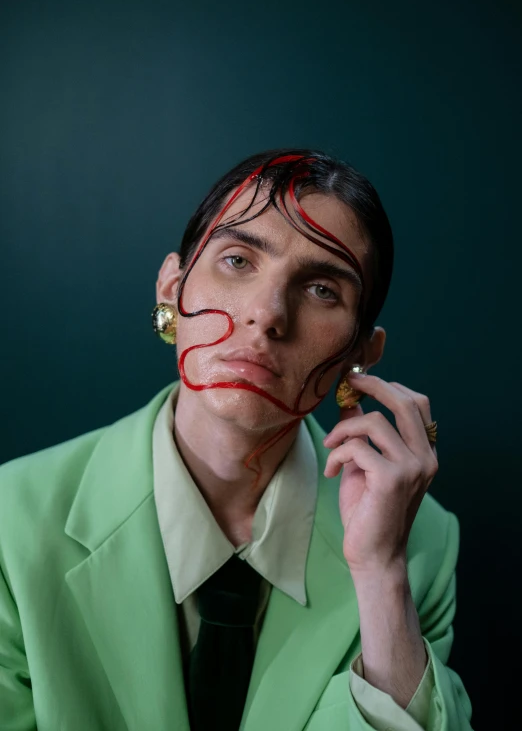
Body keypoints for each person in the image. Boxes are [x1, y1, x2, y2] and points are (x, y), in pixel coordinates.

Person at [0, 149, 474, 730]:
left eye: (323, 289)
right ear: (173, 289)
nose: (267, 314)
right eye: (236, 260)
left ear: (360, 354)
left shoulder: (422, 546)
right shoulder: (10, 524)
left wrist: (381, 575)